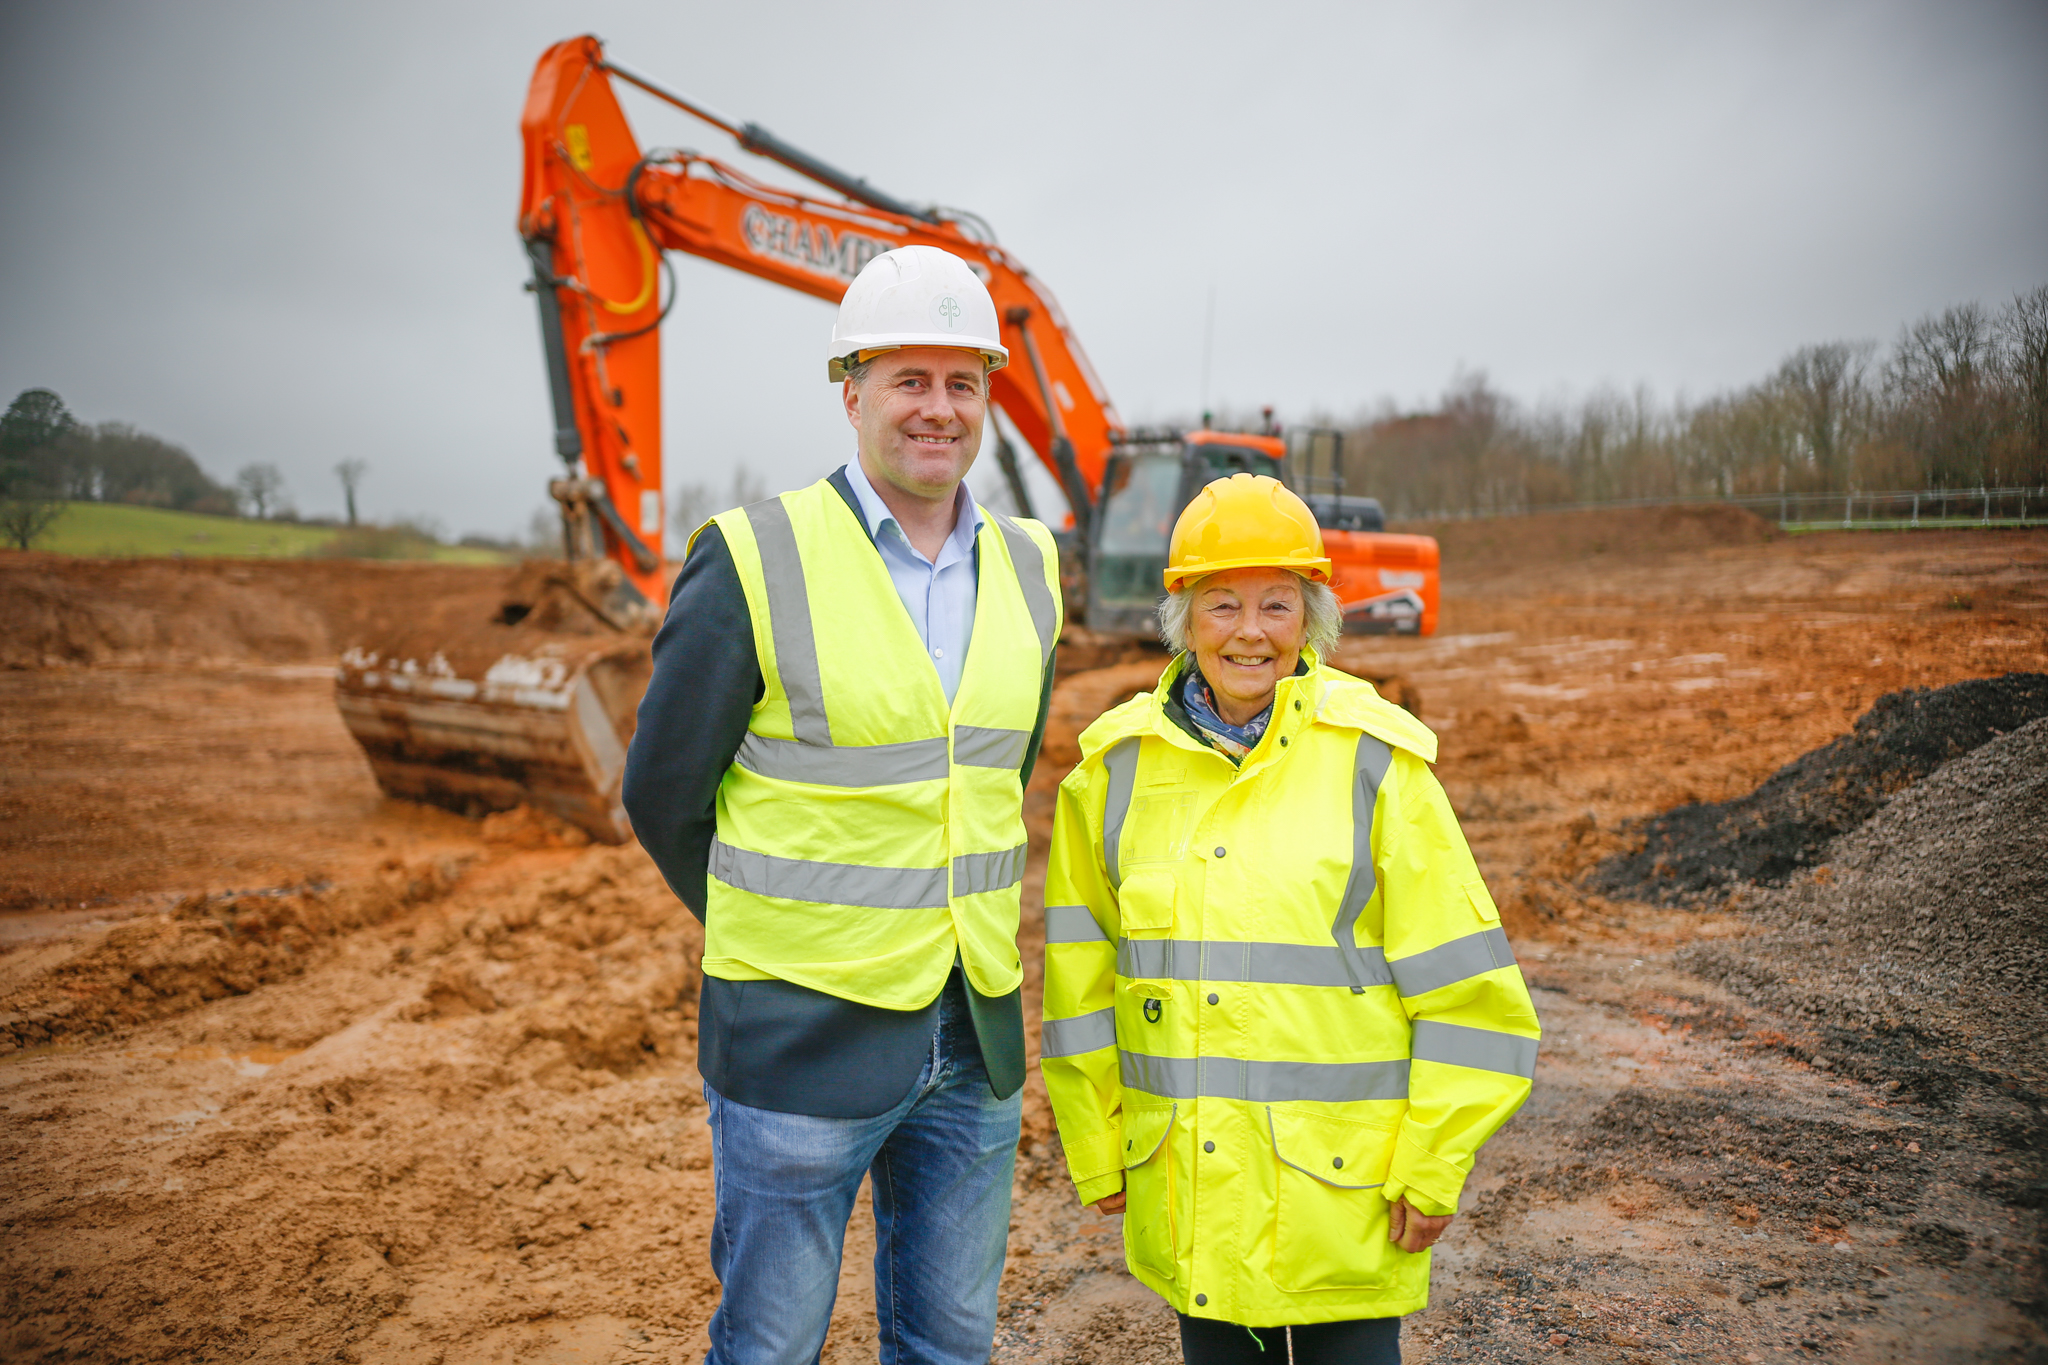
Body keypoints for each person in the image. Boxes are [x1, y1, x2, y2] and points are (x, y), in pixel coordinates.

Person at [622, 244, 1062, 1365]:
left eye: (962, 383)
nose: (937, 408)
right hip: (796, 1040)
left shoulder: (1031, 565)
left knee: (952, 1344)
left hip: (971, 1038)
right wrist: (776, 939)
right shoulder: (753, 556)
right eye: (908, 380)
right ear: (850, 389)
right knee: (770, 1347)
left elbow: (986, 778)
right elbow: (665, 795)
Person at [1038, 473, 1540, 1364]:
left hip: (1340, 1195)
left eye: (1278, 603)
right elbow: (1081, 981)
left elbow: (1475, 998)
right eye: (1222, 603)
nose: (1251, 631)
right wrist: (1096, 1134)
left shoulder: (1376, 763)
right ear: (1183, 618)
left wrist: (1436, 1162)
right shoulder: (1112, 773)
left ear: (1311, 619)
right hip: (1190, 1186)